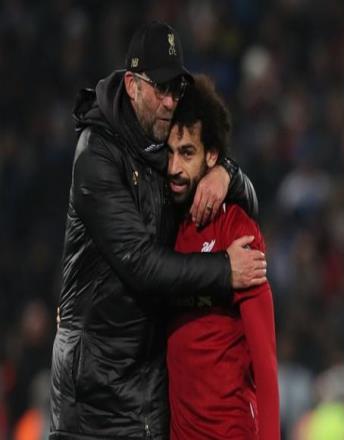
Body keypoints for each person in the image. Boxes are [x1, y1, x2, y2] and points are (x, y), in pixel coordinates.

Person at [49, 21, 266, 440]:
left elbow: (249, 207)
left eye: (176, 88)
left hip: (149, 399)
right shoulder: (97, 154)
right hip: (94, 405)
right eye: (160, 89)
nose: (170, 101)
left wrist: (227, 174)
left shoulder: (163, 147)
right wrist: (226, 271)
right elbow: (141, 265)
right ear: (132, 86)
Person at [165, 74, 280, 439]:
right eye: (169, 152)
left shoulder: (236, 229)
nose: (174, 168)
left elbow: (265, 359)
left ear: (211, 156)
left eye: (187, 153)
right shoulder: (164, 229)